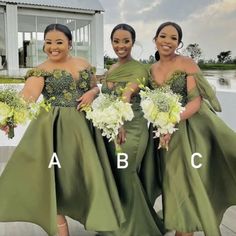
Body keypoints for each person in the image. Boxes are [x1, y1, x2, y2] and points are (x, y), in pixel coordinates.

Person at [0, 23, 125, 236]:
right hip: (54, 128)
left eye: (59, 42)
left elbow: (95, 86)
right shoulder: (40, 70)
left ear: (70, 43)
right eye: (48, 42)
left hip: (85, 128)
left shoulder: (83, 63)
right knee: (56, 178)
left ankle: (99, 218)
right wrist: (9, 118)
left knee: (84, 176)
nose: (53, 47)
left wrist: (92, 93)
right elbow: (27, 98)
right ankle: (60, 230)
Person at [148, 21, 236, 236]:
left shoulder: (186, 63)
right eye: (163, 36)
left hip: (192, 127)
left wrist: (171, 123)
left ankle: (185, 229)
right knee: (174, 183)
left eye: (173, 38)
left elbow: (195, 102)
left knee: (188, 182)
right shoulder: (151, 69)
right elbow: (150, 100)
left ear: (179, 43)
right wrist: (162, 124)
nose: (167, 41)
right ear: (155, 39)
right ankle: (180, 223)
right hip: (163, 131)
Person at [98, 23, 164, 236]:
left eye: (125, 41)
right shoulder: (112, 69)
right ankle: (119, 224)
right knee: (117, 176)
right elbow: (105, 98)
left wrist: (120, 124)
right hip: (110, 129)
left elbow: (127, 95)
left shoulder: (139, 69)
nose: (120, 45)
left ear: (133, 43)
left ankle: (136, 229)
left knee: (128, 174)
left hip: (130, 129)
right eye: (116, 41)